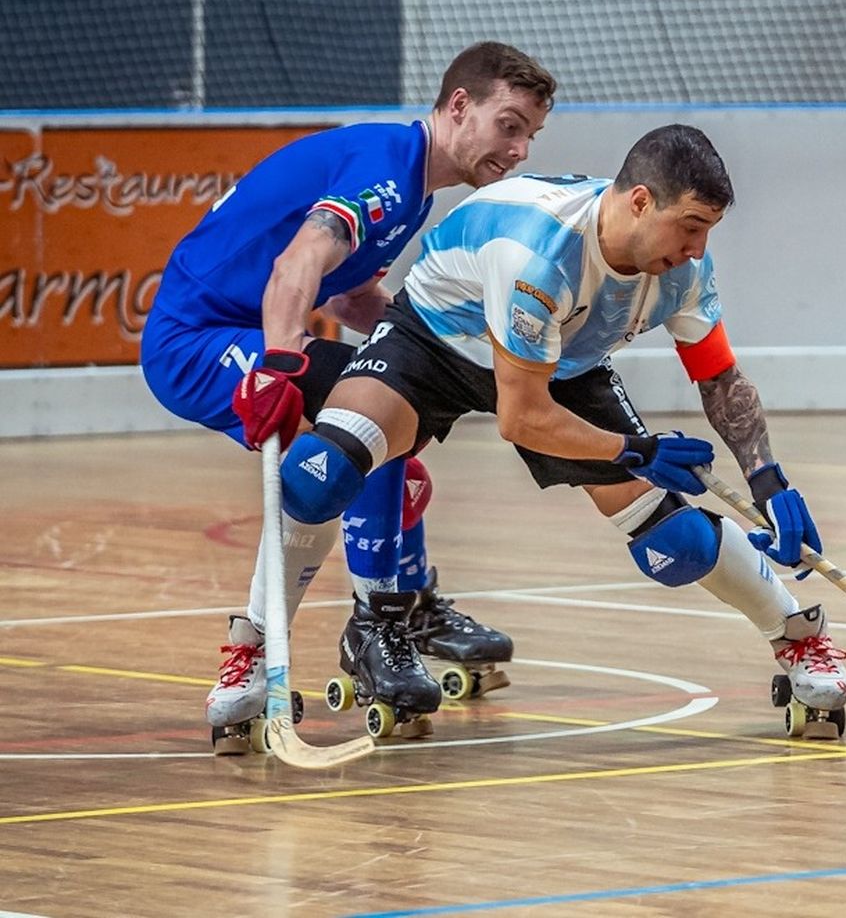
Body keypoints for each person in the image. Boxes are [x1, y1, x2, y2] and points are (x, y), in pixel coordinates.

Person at [275, 124, 846, 740]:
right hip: (436, 339)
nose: (697, 247)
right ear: (639, 202)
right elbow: (519, 418)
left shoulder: (683, 268)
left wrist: (769, 479)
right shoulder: (542, 255)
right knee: (321, 473)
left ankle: (799, 635)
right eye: (689, 226)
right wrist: (638, 451)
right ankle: (260, 656)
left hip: (562, 358)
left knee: (674, 541)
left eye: (707, 230)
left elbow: (720, 380)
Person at [140, 41, 557, 752]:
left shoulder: (413, 184)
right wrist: (277, 363)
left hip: (242, 327)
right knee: (375, 410)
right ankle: (369, 626)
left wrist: (441, 347)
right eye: (509, 125)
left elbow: (356, 294)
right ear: (459, 107)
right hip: (199, 339)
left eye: (530, 136)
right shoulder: (386, 176)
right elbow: (297, 263)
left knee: (394, 423)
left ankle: (403, 608)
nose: (518, 150)